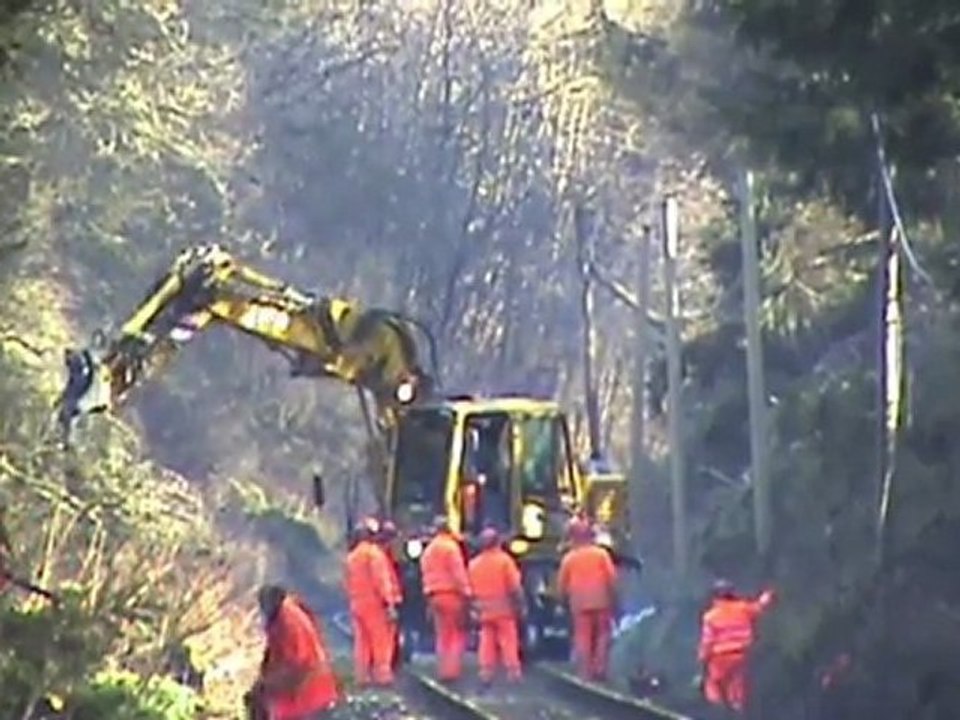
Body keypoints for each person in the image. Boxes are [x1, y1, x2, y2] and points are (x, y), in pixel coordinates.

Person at [248, 584, 339, 720]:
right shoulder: (285, 614)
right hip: (313, 689)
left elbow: (299, 664)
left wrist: (269, 684)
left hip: (310, 693)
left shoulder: (290, 622)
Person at [697, 579, 775, 715]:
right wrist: (768, 595)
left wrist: (702, 659)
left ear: (714, 597)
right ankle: (736, 710)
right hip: (741, 655)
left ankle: (719, 713)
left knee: (714, 686)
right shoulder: (743, 608)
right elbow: (760, 606)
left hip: (719, 658)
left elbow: (707, 642)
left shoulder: (710, 617)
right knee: (737, 686)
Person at [557, 517, 619, 681]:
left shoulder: (569, 559)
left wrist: (562, 601)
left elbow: (562, 585)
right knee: (603, 635)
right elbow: (612, 579)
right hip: (601, 601)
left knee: (583, 636)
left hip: (579, 603)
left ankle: (585, 672)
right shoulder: (602, 555)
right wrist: (614, 598)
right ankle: (600, 669)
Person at [344, 517, 401, 687]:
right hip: (375, 604)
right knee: (381, 639)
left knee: (362, 641)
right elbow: (381, 580)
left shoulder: (351, 557)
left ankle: (362, 676)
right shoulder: (374, 554)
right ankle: (383, 676)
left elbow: (347, 583)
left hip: (357, 604)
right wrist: (389, 603)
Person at [467, 526, 524, 687]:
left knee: (486, 641)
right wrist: (520, 604)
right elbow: (514, 587)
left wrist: (473, 608)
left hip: (483, 610)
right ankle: (513, 671)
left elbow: (469, 588)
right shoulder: (505, 561)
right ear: (498, 542)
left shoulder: (473, 564)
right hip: (504, 609)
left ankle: (486, 672)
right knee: (508, 640)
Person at [420, 515, 472, 682]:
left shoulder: (428, 550)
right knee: (456, 634)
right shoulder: (451, 548)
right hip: (452, 595)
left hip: (434, 596)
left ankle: (443, 669)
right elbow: (458, 573)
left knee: (442, 635)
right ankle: (452, 671)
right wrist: (467, 593)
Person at [376, 518, 404, 670]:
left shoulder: (382, 553)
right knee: (385, 634)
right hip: (386, 600)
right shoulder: (379, 555)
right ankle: (386, 668)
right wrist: (389, 602)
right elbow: (384, 580)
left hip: (389, 597)